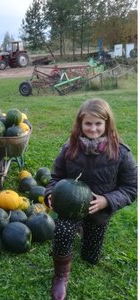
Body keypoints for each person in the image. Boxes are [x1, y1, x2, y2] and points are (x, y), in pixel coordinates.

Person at [44, 99, 137, 300]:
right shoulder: (69, 148)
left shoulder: (120, 152)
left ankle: (86, 230)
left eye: (98, 124)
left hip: (98, 213)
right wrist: (50, 194)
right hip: (70, 208)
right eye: (88, 124)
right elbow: (55, 178)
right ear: (80, 124)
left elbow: (131, 188)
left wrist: (107, 200)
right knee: (62, 230)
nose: (93, 129)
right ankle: (60, 276)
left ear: (107, 124)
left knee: (90, 257)